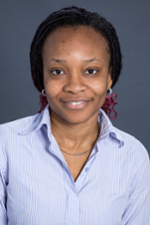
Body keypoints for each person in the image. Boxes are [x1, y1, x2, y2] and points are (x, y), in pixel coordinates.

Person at [0, 6, 150, 225]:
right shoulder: (4, 145)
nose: (74, 86)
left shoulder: (133, 156)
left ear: (110, 77)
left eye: (91, 71)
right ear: (41, 76)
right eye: (58, 71)